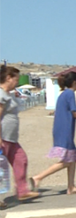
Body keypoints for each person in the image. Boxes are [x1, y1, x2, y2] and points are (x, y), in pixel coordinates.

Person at [31, 72, 76, 194]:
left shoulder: (64, 94)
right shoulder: (70, 93)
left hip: (63, 130)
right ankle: (38, 178)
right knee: (67, 161)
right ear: (74, 83)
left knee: (73, 157)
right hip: (65, 131)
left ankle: (71, 186)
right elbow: (75, 113)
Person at [0, 66, 39, 207]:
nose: (17, 82)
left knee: (21, 160)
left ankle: (22, 191)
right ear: (8, 78)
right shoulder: (1, 95)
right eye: (16, 79)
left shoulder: (8, 94)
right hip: (3, 137)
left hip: (11, 138)